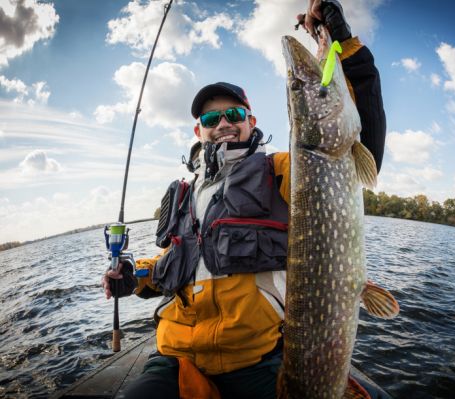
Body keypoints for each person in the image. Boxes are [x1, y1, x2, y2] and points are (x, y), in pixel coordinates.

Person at [102, 1, 388, 398]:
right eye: (209, 119)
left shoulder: (286, 170)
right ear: (198, 131)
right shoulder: (182, 195)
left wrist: (341, 41)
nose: (222, 124)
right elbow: (176, 261)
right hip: (176, 357)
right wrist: (133, 277)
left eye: (233, 113)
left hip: (255, 359)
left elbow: (361, 137)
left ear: (250, 122)